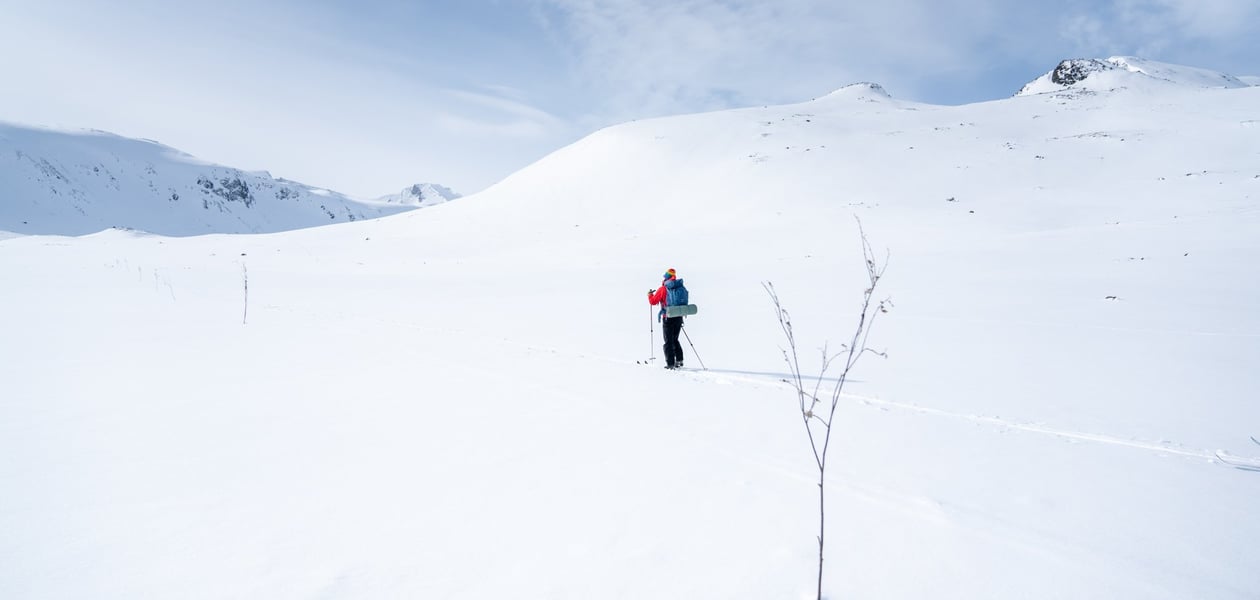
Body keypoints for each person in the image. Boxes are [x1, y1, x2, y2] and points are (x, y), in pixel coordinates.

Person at [647, 268, 685, 369]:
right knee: (675, 339)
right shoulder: (679, 287)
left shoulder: (663, 289)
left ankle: (670, 363)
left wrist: (650, 295)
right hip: (679, 316)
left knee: (668, 341)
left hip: (668, 317)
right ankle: (680, 360)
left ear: (667, 277)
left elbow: (653, 301)